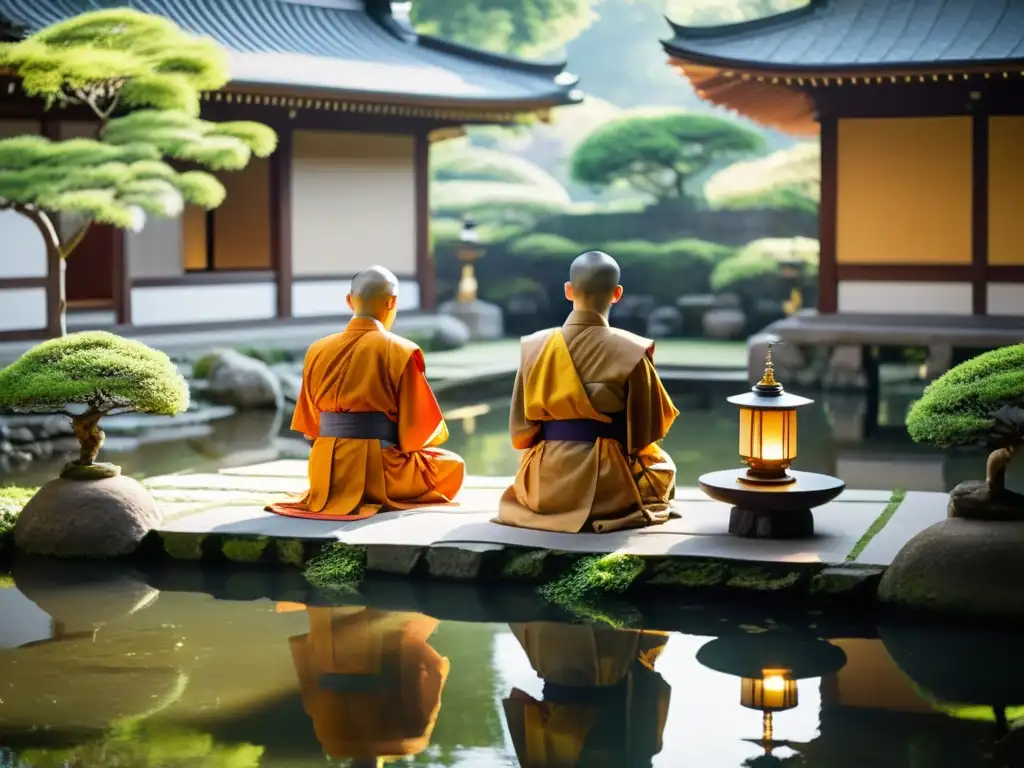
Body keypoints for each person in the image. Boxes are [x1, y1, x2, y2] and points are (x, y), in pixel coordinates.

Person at [497, 251, 679, 533]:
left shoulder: (534, 347)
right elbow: (646, 432)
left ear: (568, 291)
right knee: (661, 465)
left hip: (542, 489)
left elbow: (521, 434)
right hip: (606, 491)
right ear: (617, 294)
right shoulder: (631, 350)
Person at [268, 266, 465, 520]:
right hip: (380, 472)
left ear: (350, 301)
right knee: (451, 465)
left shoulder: (316, 350)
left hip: (324, 474)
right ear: (392, 302)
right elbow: (418, 434)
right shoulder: (402, 350)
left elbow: (311, 428)